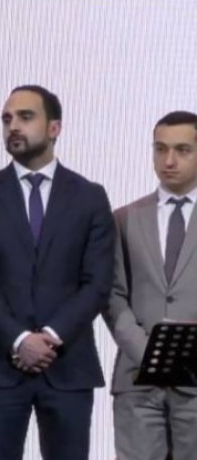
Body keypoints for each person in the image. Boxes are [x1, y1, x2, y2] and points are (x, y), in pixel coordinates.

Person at [0, 85, 114, 460]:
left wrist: (50, 336)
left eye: (25, 117)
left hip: (68, 364)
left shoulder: (90, 197)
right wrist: (19, 340)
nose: (13, 126)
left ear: (54, 128)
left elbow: (97, 283)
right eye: (7, 119)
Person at [103, 111, 197, 460]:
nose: (169, 161)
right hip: (137, 379)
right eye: (160, 149)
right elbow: (113, 295)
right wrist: (147, 353)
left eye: (182, 150)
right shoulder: (125, 218)